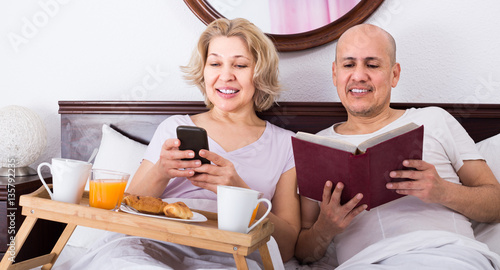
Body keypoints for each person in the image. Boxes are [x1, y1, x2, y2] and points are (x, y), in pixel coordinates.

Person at [59, 18, 300, 269]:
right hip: (154, 246)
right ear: (204, 72)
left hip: (232, 256)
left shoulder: (286, 144)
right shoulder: (173, 128)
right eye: (215, 63)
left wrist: (239, 191)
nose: (225, 76)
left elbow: (285, 248)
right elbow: (127, 211)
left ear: (259, 73)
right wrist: (160, 172)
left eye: (240, 65)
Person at [294, 24, 500, 269]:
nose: (359, 76)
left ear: (394, 74)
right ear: (334, 73)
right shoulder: (316, 148)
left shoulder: (434, 119)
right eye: (349, 65)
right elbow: (303, 252)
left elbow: (495, 203)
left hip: (448, 255)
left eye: (372, 65)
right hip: (364, 264)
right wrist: (324, 229)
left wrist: (443, 191)